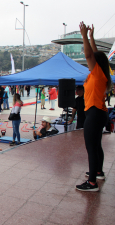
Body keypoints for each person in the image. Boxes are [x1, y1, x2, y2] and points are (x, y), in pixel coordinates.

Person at [76, 22, 112, 191]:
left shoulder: (97, 73)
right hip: (99, 113)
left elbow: (90, 56)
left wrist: (83, 35)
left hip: (94, 113)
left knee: (91, 147)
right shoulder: (101, 73)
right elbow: (96, 55)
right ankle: (98, 172)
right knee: (96, 145)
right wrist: (91, 37)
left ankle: (91, 183)